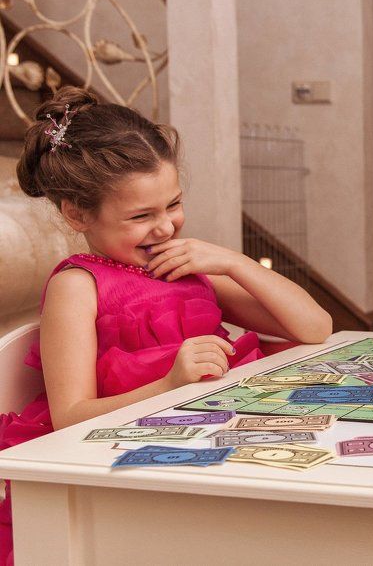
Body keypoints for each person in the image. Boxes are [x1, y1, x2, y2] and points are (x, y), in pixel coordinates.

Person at [0, 87, 333, 564]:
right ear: (77, 213)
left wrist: (234, 262)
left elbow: (315, 327)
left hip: (208, 448)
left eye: (173, 204)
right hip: (122, 474)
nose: (165, 227)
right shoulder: (77, 286)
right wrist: (170, 384)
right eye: (141, 216)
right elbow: (69, 416)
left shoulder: (179, 267)